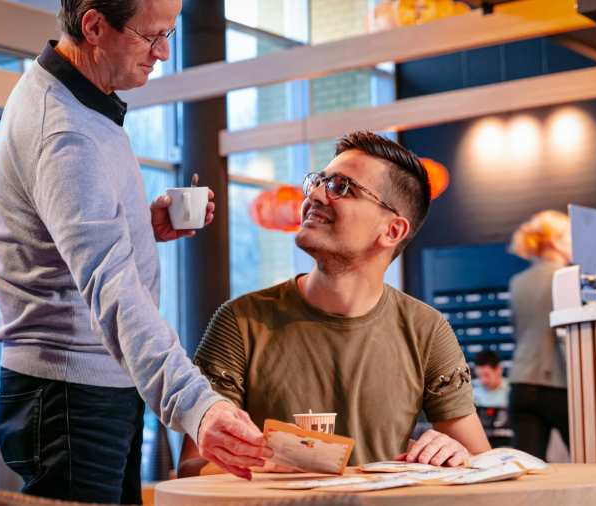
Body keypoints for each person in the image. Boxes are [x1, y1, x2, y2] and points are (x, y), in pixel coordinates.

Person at [0, 0, 268, 502]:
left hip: (95, 380)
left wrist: (141, 224)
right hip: (69, 392)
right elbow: (111, 287)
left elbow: (69, 236)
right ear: (94, 26)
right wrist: (198, 407)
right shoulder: (65, 130)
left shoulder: (85, 104)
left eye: (170, 34)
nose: (162, 52)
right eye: (150, 36)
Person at [178, 131, 490, 476]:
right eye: (318, 181)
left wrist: (455, 451)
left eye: (342, 187)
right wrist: (264, 464)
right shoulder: (240, 322)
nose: (314, 194)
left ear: (392, 231)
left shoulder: (426, 330)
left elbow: (482, 463)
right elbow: (193, 469)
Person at [507, 210, 572, 459]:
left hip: (521, 384)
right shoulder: (565, 277)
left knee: (528, 467)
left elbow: (517, 330)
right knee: (593, 459)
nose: (573, 243)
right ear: (555, 241)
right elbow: (570, 336)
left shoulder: (518, 281)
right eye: (569, 237)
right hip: (557, 385)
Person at [471, 350, 513, 448]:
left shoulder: (512, 390)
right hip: (480, 443)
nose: (483, 380)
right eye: (479, 376)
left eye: (486, 375)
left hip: (508, 444)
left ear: (499, 369)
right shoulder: (472, 391)